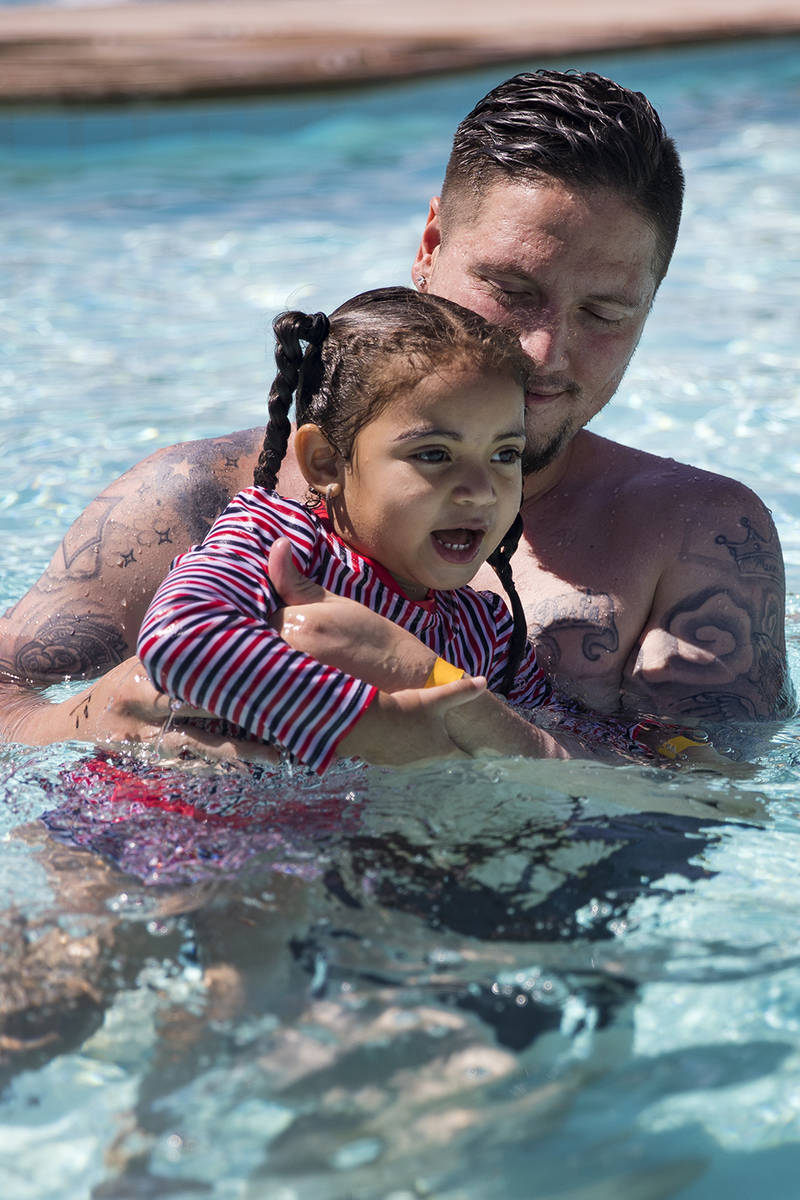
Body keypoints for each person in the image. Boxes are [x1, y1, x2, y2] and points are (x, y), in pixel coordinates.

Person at [0, 69, 791, 753]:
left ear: (653, 303)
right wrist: (94, 717)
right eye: (512, 291)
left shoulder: (689, 536)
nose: (544, 353)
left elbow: (721, 802)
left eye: (606, 312)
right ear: (430, 244)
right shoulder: (199, 502)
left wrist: (463, 718)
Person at [136, 286, 660, 770]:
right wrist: (368, 725)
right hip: (154, 824)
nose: (480, 489)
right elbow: (180, 639)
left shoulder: (485, 631)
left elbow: (553, 725)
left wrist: (657, 745)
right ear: (324, 462)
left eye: (505, 454)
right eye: (434, 454)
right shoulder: (276, 541)